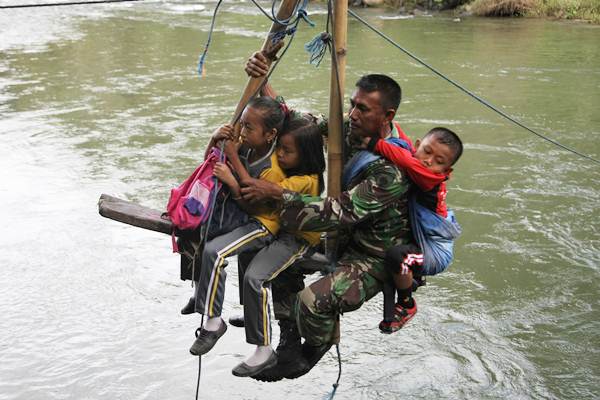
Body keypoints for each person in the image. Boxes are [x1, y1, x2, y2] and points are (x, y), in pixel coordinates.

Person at [240, 67, 414, 380]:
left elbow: (338, 212)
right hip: (337, 236)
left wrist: (280, 194)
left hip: (371, 254)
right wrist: (262, 79)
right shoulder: (348, 128)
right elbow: (291, 119)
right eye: (352, 105)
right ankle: (289, 336)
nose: (354, 114)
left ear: (388, 115)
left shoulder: (392, 170)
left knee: (312, 302)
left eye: (363, 109)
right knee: (272, 255)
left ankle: (312, 347)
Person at [362, 126, 463, 333]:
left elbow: (408, 161)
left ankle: (407, 304)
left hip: (435, 251)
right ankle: (412, 277)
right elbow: (405, 145)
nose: (429, 161)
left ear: (447, 172)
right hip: (425, 238)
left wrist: (375, 143)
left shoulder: (430, 178)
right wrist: (390, 124)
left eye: (439, 162)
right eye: (427, 152)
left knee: (398, 257)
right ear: (417, 145)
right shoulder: (415, 154)